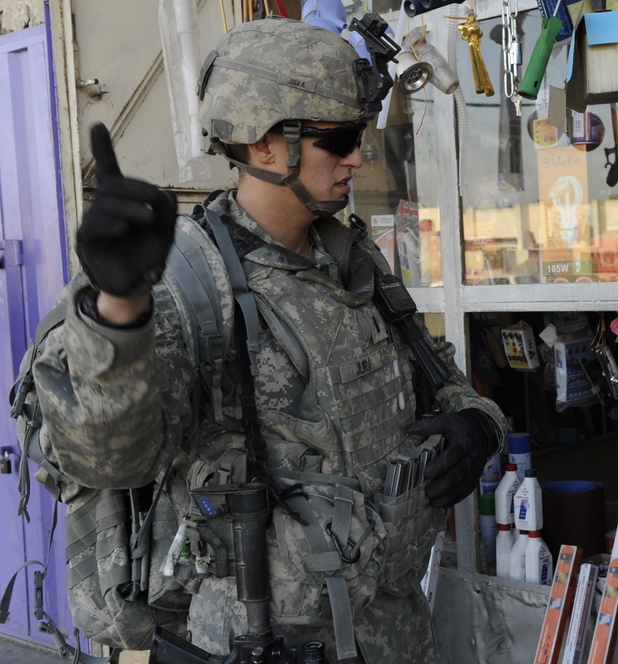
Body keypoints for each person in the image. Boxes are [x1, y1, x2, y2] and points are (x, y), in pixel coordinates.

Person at [30, 16, 505, 663]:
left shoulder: (352, 261)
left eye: (358, 136)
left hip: (394, 632)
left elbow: (445, 383)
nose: (357, 158)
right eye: (336, 140)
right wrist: (118, 308)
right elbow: (110, 460)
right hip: (265, 640)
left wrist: (478, 426)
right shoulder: (187, 287)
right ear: (262, 146)